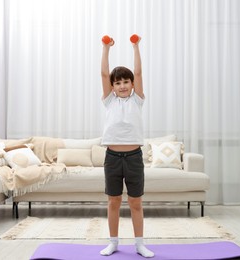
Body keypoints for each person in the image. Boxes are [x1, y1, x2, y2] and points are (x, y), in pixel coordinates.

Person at [99, 35, 154, 258]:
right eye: (118, 82)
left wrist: (136, 47)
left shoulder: (137, 100)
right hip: (112, 157)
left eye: (126, 82)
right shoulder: (109, 100)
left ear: (132, 84)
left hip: (133, 157)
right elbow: (104, 73)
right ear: (112, 87)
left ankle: (139, 244)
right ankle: (113, 242)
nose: (122, 86)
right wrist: (105, 48)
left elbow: (139, 72)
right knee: (113, 201)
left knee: (135, 202)